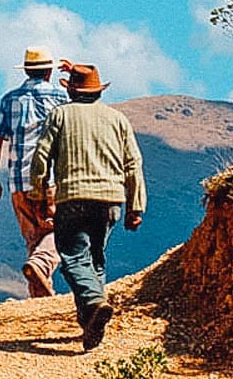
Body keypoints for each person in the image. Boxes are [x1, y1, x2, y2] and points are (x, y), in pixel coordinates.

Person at [28, 63, 145, 351]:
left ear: (70, 89)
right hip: (110, 200)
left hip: (73, 198)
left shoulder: (60, 115)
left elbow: (41, 157)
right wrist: (135, 206)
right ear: (97, 90)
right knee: (95, 260)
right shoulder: (118, 119)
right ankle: (90, 324)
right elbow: (133, 164)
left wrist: (40, 194)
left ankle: (93, 303)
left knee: (72, 258)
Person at [0, 45, 69, 298]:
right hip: (51, 179)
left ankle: (39, 298)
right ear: (49, 71)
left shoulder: (9, 99)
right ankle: (39, 267)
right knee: (59, 232)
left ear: (26, 69)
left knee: (33, 240)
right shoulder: (61, 98)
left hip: (18, 180)